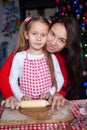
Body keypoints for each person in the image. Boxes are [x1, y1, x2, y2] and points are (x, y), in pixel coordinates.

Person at [0, 16, 82, 110]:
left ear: (67, 45)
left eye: (61, 40)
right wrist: (11, 96)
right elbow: (4, 75)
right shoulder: (22, 52)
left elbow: (61, 82)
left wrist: (56, 94)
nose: (53, 43)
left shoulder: (58, 57)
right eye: (52, 34)